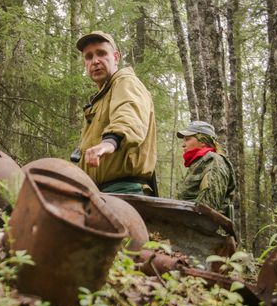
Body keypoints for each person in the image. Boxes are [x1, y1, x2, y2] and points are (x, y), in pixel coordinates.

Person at [73, 31, 157, 195]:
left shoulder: (125, 81)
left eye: (101, 53)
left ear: (116, 57)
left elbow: (129, 114)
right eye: (89, 57)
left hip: (123, 190)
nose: (95, 61)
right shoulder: (101, 99)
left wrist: (109, 142)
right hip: (98, 191)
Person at [176, 121, 236, 217]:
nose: (183, 145)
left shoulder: (214, 162)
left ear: (203, 142)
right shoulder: (199, 163)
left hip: (203, 229)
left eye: (187, 139)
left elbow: (207, 209)